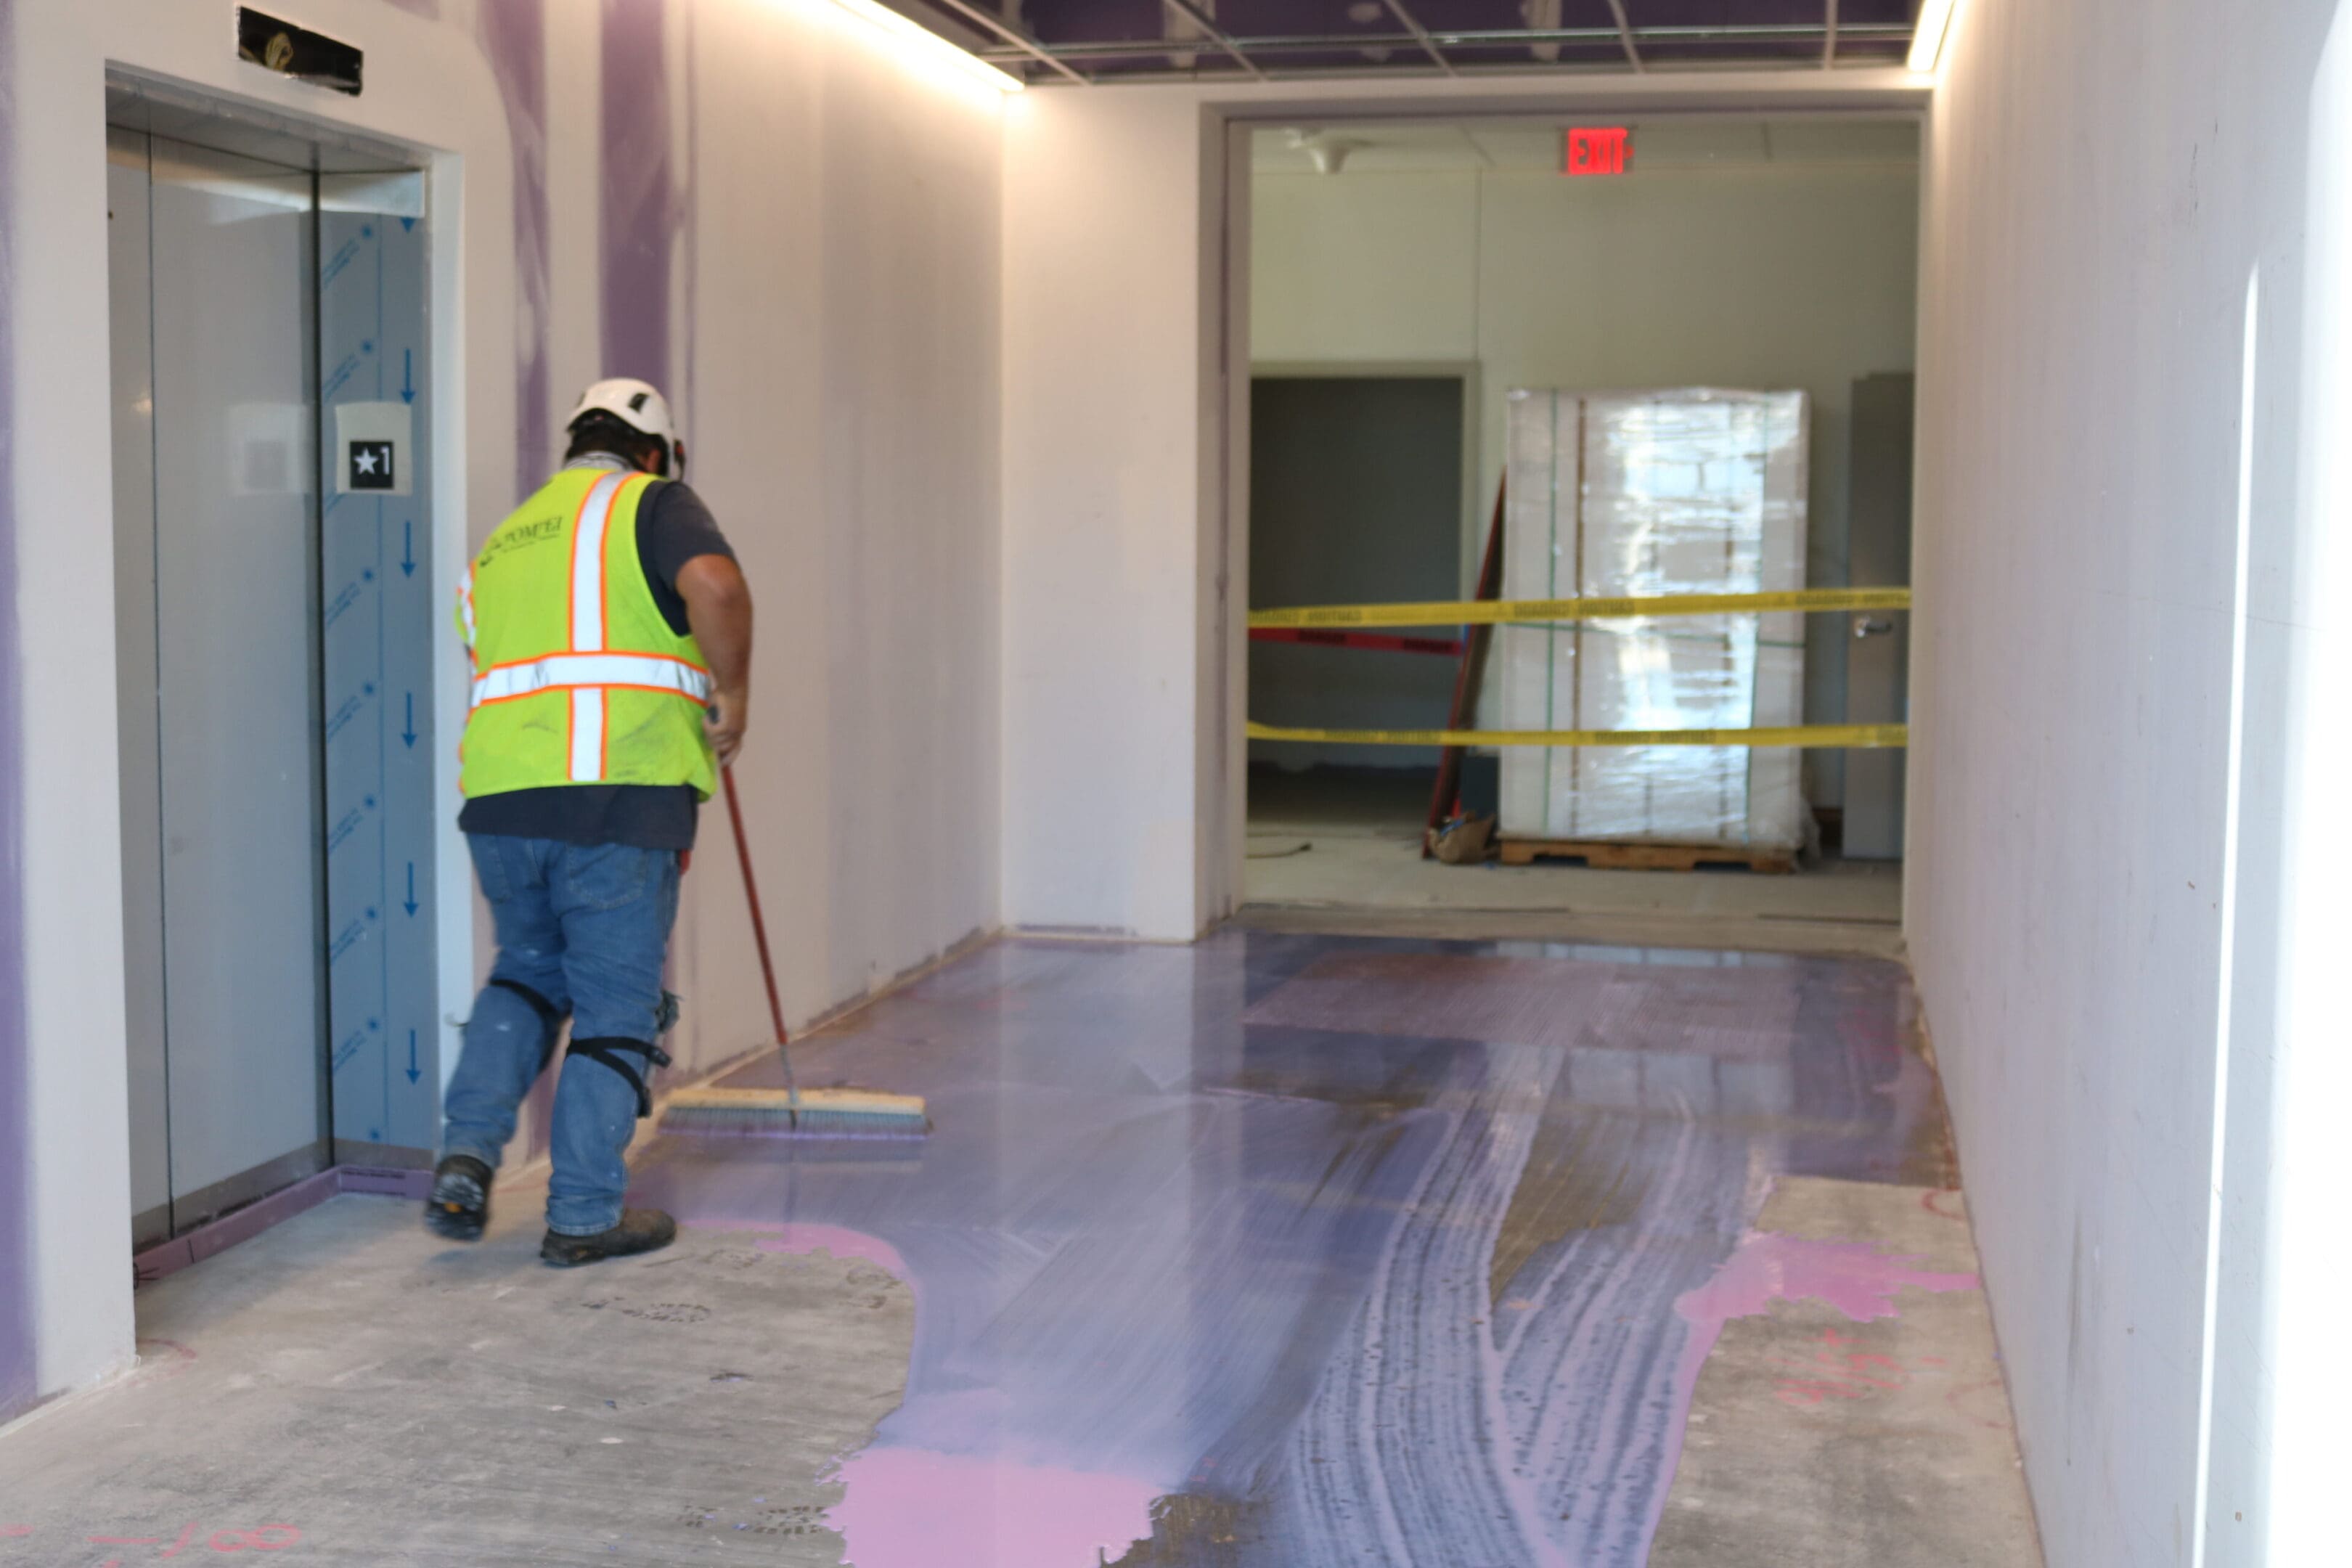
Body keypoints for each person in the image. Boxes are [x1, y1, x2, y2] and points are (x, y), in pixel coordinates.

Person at [425, 378, 752, 1266]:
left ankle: (465, 1155)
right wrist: (732, 692)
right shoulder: (654, 502)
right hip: (617, 796)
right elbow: (715, 585)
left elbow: (490, 654)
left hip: (501, 801)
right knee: (615, 1009)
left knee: (526, 976)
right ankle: (582, 1216)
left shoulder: (504, 541)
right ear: (657, 453)